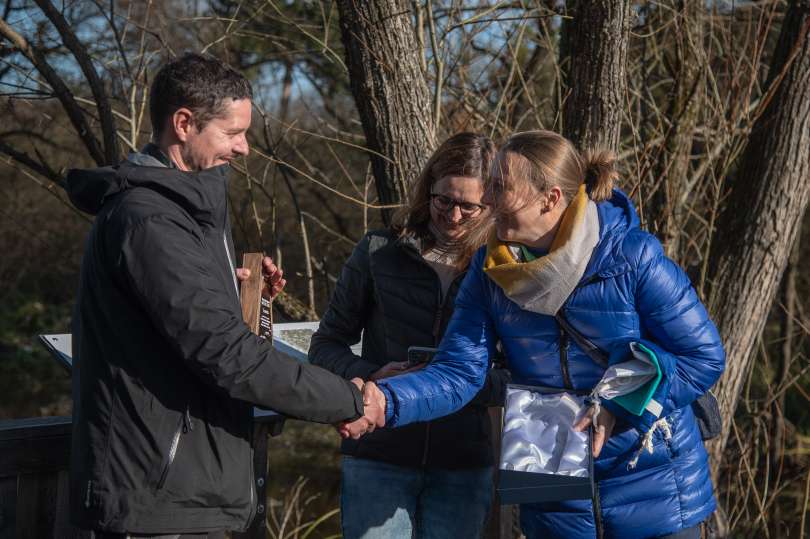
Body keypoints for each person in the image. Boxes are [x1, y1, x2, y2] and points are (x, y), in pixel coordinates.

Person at [66, 53, 383, 538]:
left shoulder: (188, 214)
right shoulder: (150, 221)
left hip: (189, 489)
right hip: (156, 498)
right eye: (233, 133)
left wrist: (232, 291)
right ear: (184, 123)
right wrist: (348, 398)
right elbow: (224, 353)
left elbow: (190, 327)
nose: (245, 148)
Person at [349, 130, 725, 539]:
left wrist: (620, 403)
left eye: (500, 186)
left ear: (551, 198)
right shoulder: (489, 271)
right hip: (553, 487)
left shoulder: (631, 257)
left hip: (652, 485)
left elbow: (702, 357)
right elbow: (459, 371)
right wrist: (387, 402)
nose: (486, 200)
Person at [310, 132, 510, 539]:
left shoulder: (502, 268)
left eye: (469, 207)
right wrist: (373, 375)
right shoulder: (378, 251)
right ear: (427, 191)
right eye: (444, 200)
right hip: (379, 452)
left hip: (463, 459)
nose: (453, 216)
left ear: (491, 205)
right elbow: (325, 345)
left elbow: (518, 373)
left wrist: (455, 384)